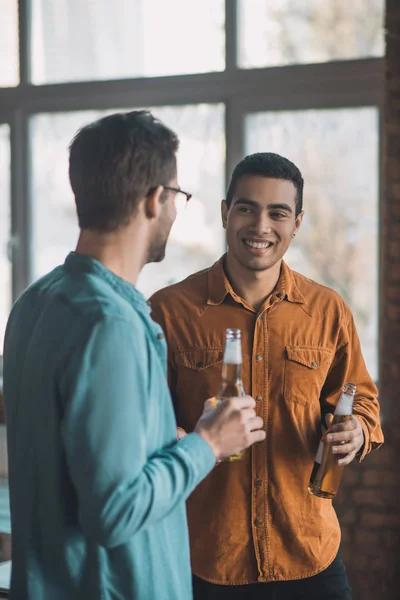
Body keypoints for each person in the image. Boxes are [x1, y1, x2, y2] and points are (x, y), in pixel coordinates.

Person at [2, 112, 266, 600]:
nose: (174, 210)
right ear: (155, 199)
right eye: (178, 197)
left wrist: (167, 442)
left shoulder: (35, 303)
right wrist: (207, 444)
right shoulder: (111, 325)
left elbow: (79, 457)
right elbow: (115, 511)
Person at [150, 152, 384, 600]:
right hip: (205, 557)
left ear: (296, 222)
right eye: (246, 208)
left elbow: (363, 402)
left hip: (310, 553)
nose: (260, 226)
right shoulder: (168, 310)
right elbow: (145, 431)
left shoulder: (328, 310)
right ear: (225, 212)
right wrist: (185, 438)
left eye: (278, 213)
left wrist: (358, 432)